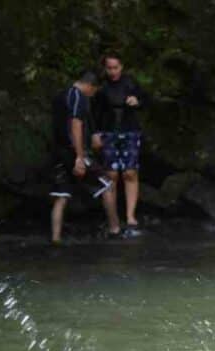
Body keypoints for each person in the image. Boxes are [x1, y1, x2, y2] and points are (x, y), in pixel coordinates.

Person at [50, 70, 121, 244]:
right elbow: (76, 124)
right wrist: (80, 157)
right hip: (73, 152)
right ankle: (115, 229)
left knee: (61, 195)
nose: (93, 95)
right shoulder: (78, 96)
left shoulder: (60, 95)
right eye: (94, 91)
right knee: (108, 184)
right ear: (90, 86)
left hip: (58, 152)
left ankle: (55, 239)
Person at [94, 51, 149, 234]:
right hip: (109, 131)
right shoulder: (101, 87)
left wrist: (137, 101)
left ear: (121, 67)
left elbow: (146, 100)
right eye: (109, 68)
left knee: (130, 172)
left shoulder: (130, 82)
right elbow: (94, 113)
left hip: (130, 130)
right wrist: (95, 134)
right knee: (111, 175)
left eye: (115, 67)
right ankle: (113, 217)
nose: (112, 71)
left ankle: (131, 216)